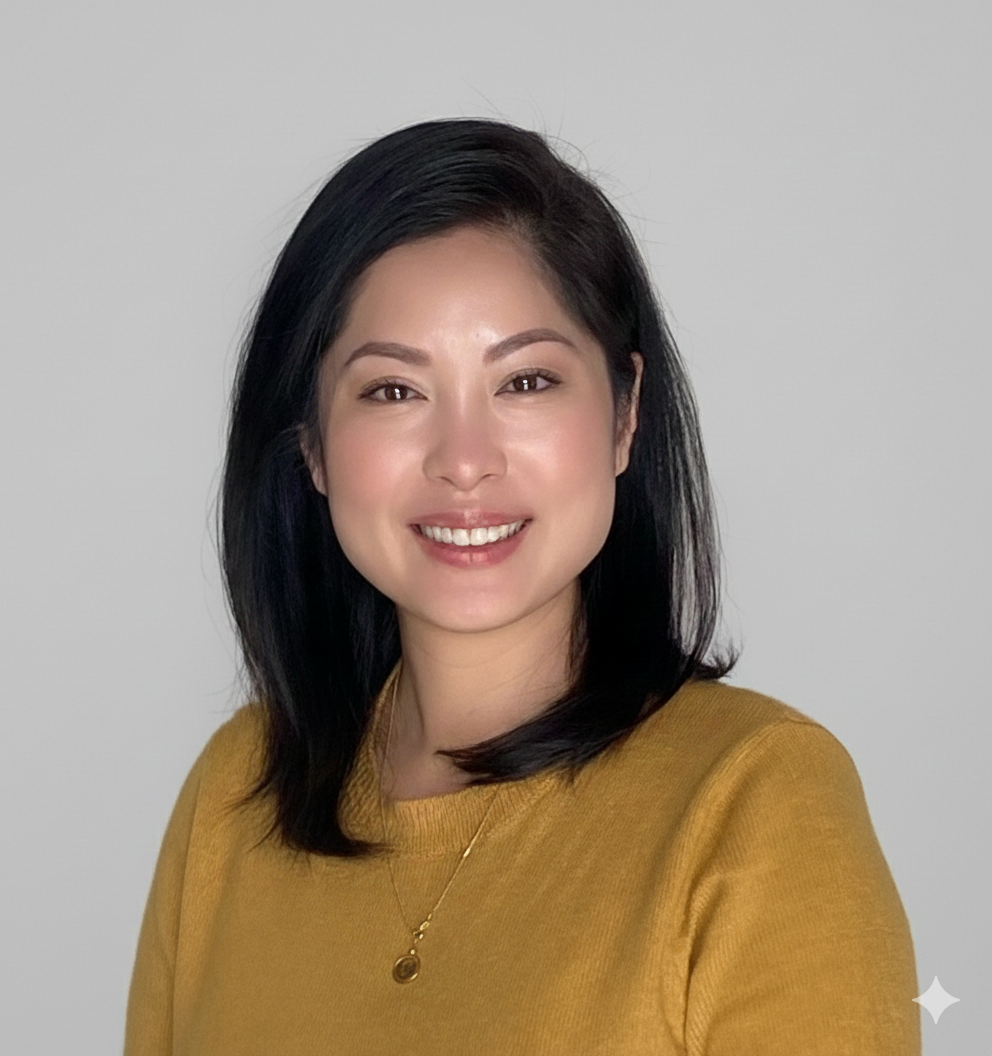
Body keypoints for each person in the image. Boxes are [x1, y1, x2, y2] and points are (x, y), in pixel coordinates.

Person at [124, 118, 921, 1055]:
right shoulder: (236, 792)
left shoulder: (758, 803)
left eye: (527, 382)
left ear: (625, 415)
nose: (464, 461)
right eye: (393, 391)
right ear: (312, 446)